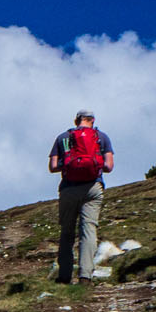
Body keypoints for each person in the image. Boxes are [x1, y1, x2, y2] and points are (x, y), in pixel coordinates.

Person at [48, 110, 114, 284]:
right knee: (88, 230)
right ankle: (85, 275)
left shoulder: (62, 137)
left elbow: (53, 166)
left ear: (76, 120)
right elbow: (109, 166)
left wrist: (70, 163)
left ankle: (64, 276)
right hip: (93, 187)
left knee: (67, 232)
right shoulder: (102, 137)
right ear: (92, 120)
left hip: (69, 188)